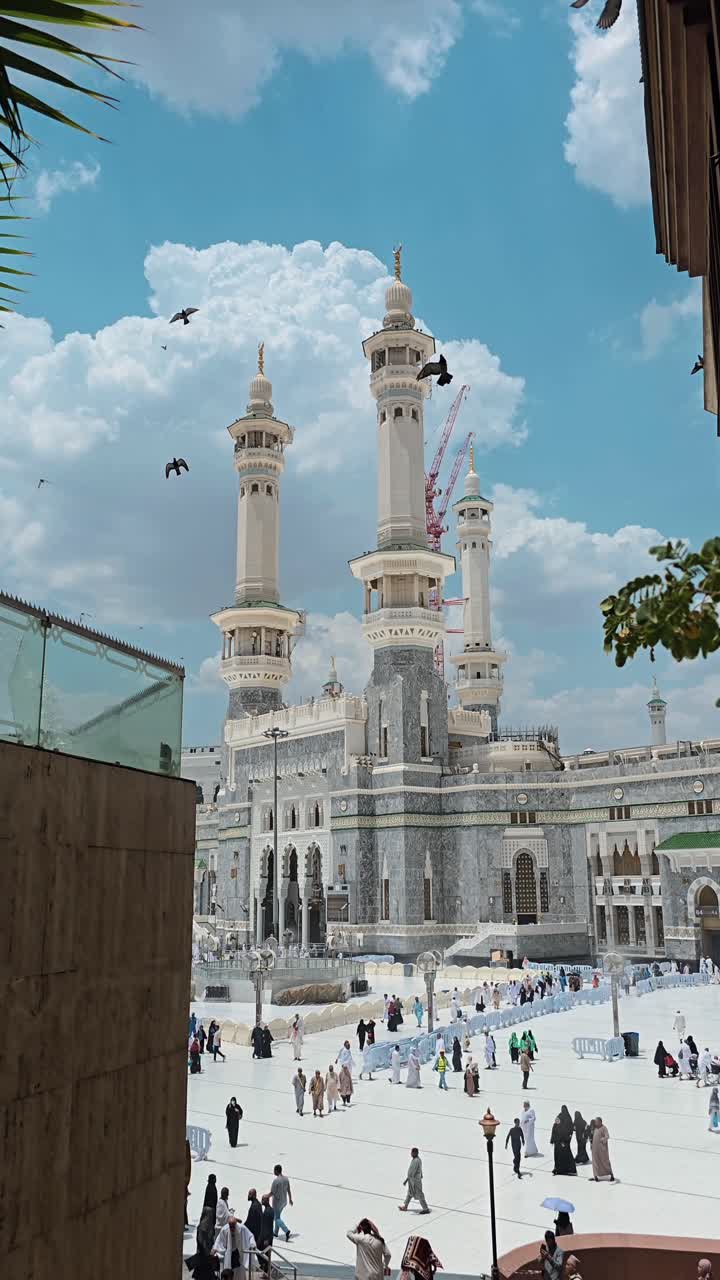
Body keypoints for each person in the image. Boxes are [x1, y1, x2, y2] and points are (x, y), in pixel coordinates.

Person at [399, 1147, 430, 1213]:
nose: (411, 1154)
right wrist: (407, 1180)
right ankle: (405, 1206)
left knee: (419, 1194)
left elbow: (412, 1172)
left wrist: (407, 1180)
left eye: (412, 1153)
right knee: (409, 1193)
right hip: (412, 1180)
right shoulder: (415, 1159)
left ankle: (425, 1208)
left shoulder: (416, 1161)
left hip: (415, 1181)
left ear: (415, 1153)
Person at [551, 1107, 577, 1176]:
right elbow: (554, 1130)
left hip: (565, 1142)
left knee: (566, 1155)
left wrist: (565, 1141)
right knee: (557, 1155)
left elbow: (569, 1131)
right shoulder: (560, 1117)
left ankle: (569, 1169)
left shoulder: (567, 1118)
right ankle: (557, 1168)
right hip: (558, 1142)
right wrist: (552, 1140)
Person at [270, 1163, 293, 1240]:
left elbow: (272, 1192)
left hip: (277, 1202)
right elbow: (288, 1190)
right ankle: (275, 1232)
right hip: (284, 1201)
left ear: (276, 1171)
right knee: (278, 1216)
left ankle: (286, 1230)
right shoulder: (286, 1179)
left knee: (276, 1218)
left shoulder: (276, 1181)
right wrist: (290, 1199)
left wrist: (266, 1196)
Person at [591, 1117, 615, 1181]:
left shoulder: (604, 1128)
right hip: (595, 1149)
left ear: (600, 1122)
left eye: (597, 1122)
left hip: (602, 1150)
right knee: (595, 1162)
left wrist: (603, 1139)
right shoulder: (595, 1128)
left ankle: (611, 1175)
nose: (595, 1123)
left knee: (605, 1161)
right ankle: (596, 1176)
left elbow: (607, 1136)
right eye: (595, 1122)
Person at [257, 1193, 275, 1272]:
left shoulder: (268, 1211)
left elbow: (268, 1226)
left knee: (265, 1254)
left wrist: (266, 1239)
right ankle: (265, 1268)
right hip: (266, 1237)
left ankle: (267, 1269)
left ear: (267, 1201)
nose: (262, 1201)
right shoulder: (269, 1210)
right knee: (264, 1254)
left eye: (263, 1200)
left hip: (266, 1238)